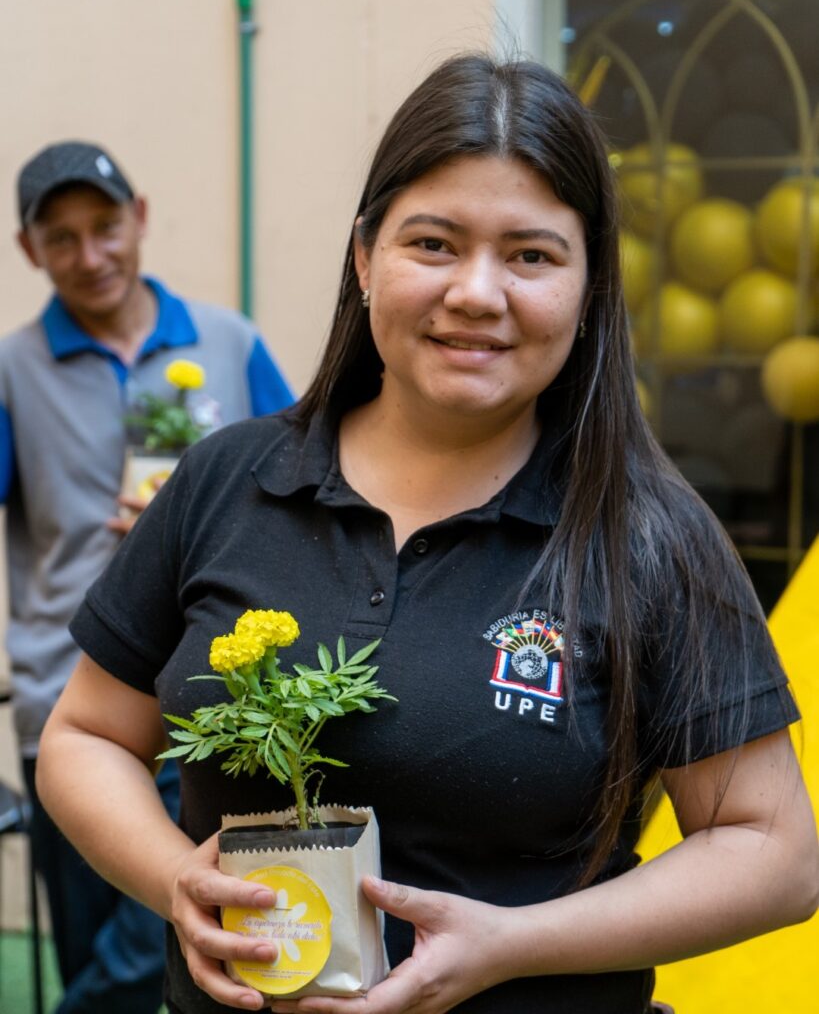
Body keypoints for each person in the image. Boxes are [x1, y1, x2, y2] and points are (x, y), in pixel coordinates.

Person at [36, 58, 818, 1014]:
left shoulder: (647, 533)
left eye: (531, 255)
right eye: (434, 244)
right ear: (365, 258)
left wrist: (512, 945)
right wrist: (173, 879)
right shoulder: (225, 481)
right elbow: (84, 738)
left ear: (588, 284)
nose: (477, 293)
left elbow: (773, 853)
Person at [2, 139, 294, 1013]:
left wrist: (197, 520)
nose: (90, 256)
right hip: (71, 703)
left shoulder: (229, 342)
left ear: (140, 218)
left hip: (222, 695)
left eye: (104, 227)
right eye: (62, 238)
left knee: (168, 943)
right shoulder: (13, 371)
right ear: (30, 251)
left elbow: (307, 488)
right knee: (100, 936)